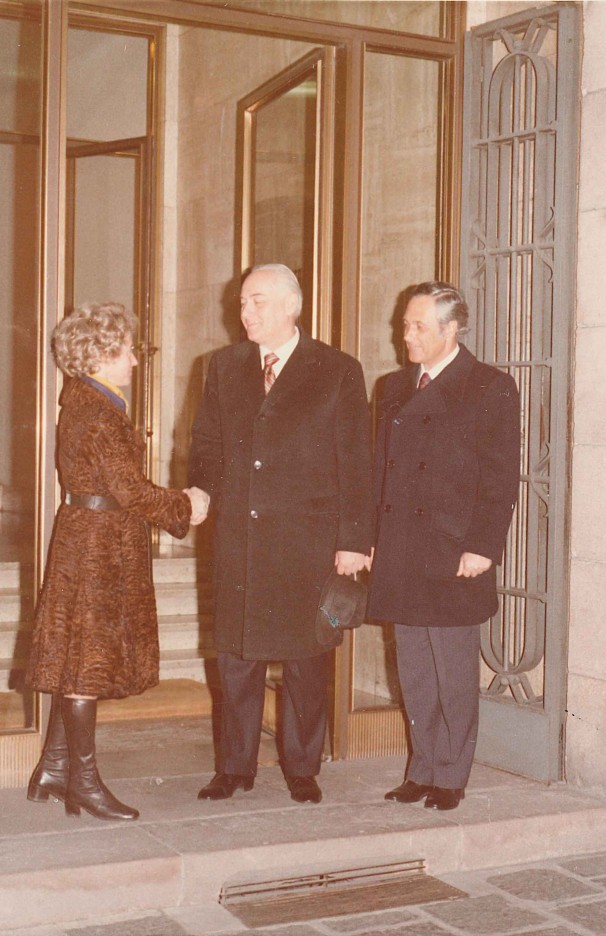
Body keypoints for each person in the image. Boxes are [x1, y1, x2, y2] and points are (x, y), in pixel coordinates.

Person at [188, 263, 374, 804]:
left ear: (292, 306)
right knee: (236, 658)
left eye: (258, 301)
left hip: (306, 543)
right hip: (239, 540)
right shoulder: (223, 366)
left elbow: (356, 461)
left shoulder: (337, 370)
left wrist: (353, 540)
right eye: (242, 302)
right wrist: (201, 491)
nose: (245, 312)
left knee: (305, 660)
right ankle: (234, 768)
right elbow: (206, 445)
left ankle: (302, 767)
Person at [27, 302, 206, 821]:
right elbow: (130, 490)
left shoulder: (87, 401)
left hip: (89, 539)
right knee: (89, 661)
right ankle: (82, 783)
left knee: (79, 656)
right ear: (100, 353)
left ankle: (54, 768)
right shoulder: (99, 412)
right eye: (127, 350)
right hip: (96, 548)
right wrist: (185, 506)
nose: (133, 359)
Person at [367, 281, 520, 811]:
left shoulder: (489, 386)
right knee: (413, 670)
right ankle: (422, 769)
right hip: (401, 550)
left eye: (417, 326)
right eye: (404, 325)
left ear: (450, 330)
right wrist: (370, 540)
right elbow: (377, 474)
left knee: (452, 672)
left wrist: (483, 546)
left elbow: (500, 479)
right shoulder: (392, 387)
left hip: (454, 551)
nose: (405, 335)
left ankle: (451, 775)